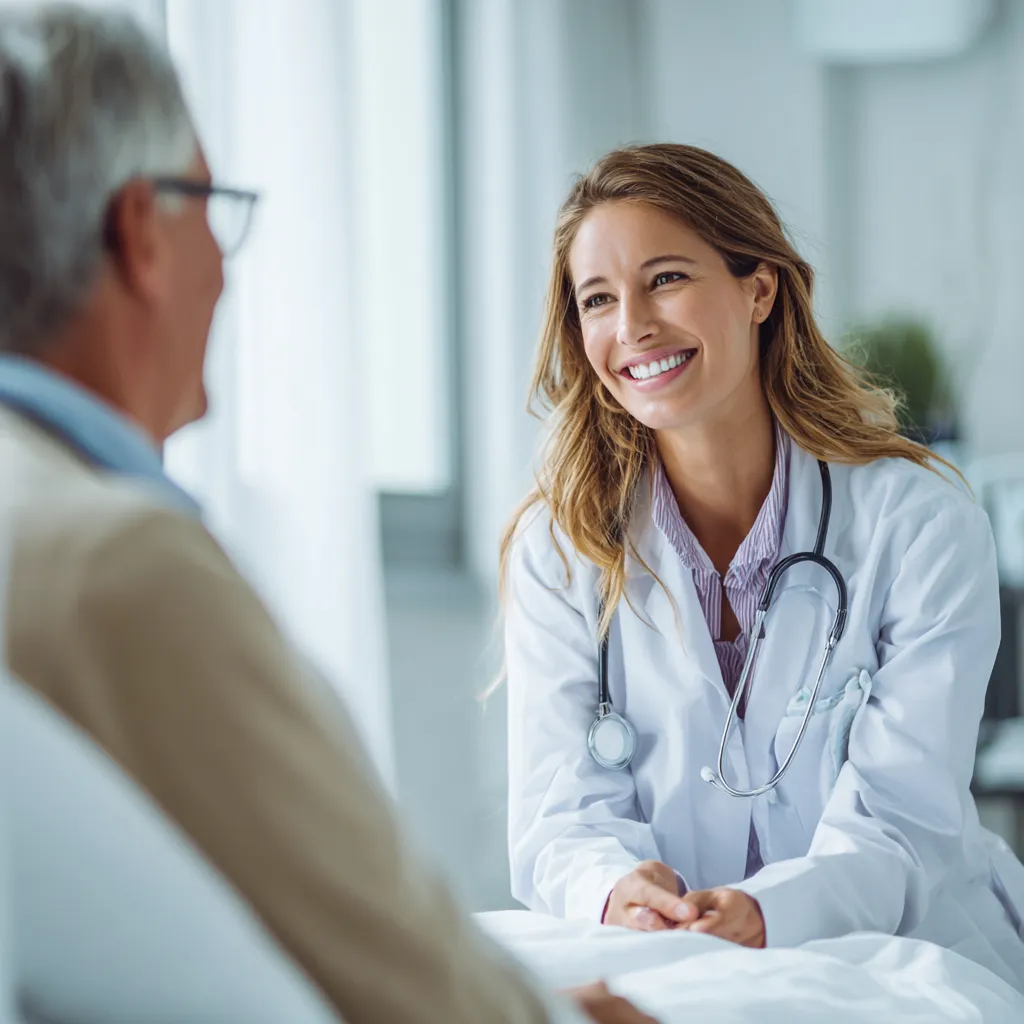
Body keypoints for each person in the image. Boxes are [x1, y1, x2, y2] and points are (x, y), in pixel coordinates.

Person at [0, 6, 656, 1024]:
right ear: (140, 232)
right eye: (210, 208)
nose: (226, 267)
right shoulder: (117, 566)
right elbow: (393, 966)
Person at [501, 142, 1024, 991]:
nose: (631, 326)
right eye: (597, 298)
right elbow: (560, 819)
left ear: (760, 290)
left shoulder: (919, 524)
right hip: (667, 957)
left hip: (899, 945)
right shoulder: (562, 548)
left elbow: (901, 824)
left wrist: (768, 912)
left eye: (665, 279)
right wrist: (612, 892)